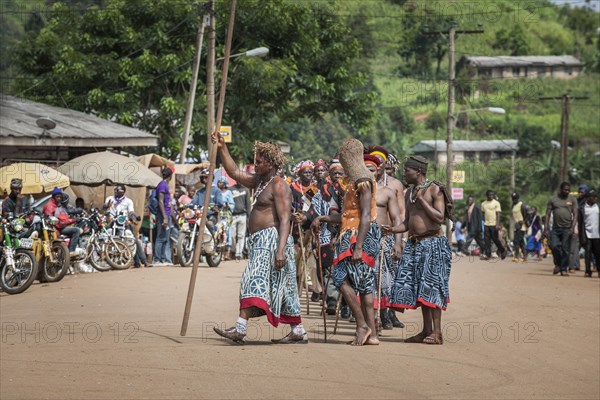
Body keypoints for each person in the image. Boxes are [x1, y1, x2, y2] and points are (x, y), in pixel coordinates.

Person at [212, 134, 305, 345]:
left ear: (270, 163)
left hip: (271, 241)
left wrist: (280, 249)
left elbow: (284, 220)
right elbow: (234, 171)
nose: (255, 165)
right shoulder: (260, 181)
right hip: (259, 242)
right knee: (284, 286)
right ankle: (298, 330)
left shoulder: (279, 185)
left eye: (259, 162)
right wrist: (222, 148)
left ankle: (240, 328)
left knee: (251, 280)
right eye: (255, 161)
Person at [383, 155, 452, 345]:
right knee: (420, 289)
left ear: (418, 171)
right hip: (415, 245)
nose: (405, 173)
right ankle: (426, 330)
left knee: (432, 287)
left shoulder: (434, 189)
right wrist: (390, 229)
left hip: (433, 244)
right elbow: (406, 223)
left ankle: (437, 333)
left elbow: (440, 217)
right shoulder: (409, 192)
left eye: (407, 170)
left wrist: (423, 202)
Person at [329, 138, 381, 346]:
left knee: (340, 278)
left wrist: (358, 246)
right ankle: (373, 334)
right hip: (352, 233)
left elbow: (367, 214)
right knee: (364, 284)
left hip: (358, 235)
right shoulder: (357, 178)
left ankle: (363, 326)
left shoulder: (362, 179)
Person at [104, 185, 149, 268]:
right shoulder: (110, 199)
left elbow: (131, 212)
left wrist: (133, 217)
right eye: (115, 190)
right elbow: (104, 207)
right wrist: (107, 206)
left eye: (118, 191)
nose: (116, 192)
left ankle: (143, 261)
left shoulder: (128, 201)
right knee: (103, 235)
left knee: (133, 239)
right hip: (112, 222)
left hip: (123, 222)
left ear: (123, 192)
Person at [545, 182, 578, 276]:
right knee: (554, 246)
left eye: (568, 190)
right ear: (561, 189)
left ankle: (563, 269)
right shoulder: (553, 199)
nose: (567, 191)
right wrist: (546, 228)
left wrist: (573, 227)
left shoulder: (573, 199)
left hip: (567, 228)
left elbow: (575, 214)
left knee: (565, 249)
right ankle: (558, 264)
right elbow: (547, 214)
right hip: (555, 228)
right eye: (565, 189)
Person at [43, 188, 81, 254]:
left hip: (60, 226)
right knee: (76, 230)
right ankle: (71, 252)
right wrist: (73, 220)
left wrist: (72, 220)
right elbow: (58, 222)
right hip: (56, 229)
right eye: (57, 197)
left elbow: (63, 217)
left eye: (60, 197)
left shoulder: (58, 205)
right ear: (53, 197)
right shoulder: (50, 206)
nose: (59, 198)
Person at [154, 167, 174, 265]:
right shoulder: (162, 185)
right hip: (163, 214)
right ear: (171, 176)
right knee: (160, 237)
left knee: (165, 238)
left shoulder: (164, 185)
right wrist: (165, 217)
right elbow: (160, 201)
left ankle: (163, 259)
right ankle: (157, 259)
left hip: (166, 214)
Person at [481, 190, 507, 260]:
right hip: (486, 224)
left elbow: (498, 214)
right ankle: (488, 254)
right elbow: (483, 213)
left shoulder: (496, 203)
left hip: (494, 224)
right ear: (487, 196)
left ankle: (503, 250)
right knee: (487, 240)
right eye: (489, 195)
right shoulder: (483, 204)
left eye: (492, 195)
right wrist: (484, 221)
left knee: (495, 239)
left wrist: (497, 224)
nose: (491, 196)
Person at [229, 179, 251, 261]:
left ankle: (239, 253)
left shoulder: (246, 190)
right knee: (232, 235)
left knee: (241, 235)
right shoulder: (230, 190)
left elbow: (248, 204)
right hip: (233, 215)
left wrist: (249, 218)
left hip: (243, 215)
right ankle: (233, 250)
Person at [570, 184, 589, 272]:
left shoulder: (588, 202)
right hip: (578, 226)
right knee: (575, 246)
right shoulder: (577, 201)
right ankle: (575, 264)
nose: (580, 193)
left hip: (587, 228)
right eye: (579, 192)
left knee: (589, 247)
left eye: (582, 192)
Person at [580, 189, 599, 278]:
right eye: (592, 196)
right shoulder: (583, 208)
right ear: (587, 198)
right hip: (587, 234)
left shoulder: (598, 206)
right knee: (587, 254)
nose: (594, 198)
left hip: (597, 234)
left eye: (595, 196)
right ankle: (588, 271)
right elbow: (580, 223)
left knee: (598, 253)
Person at [511, 192, 528, 262]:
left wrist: (523, 221)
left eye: (515, 198)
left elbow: (528, 215)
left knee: (516, 241)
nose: (514, 200)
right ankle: (525, 257)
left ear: (518, 198)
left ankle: (516, 256)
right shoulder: (513, 205)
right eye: (513, 198)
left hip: (521, 227)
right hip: (516, 226)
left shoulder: (522, 205)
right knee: (521, 242)